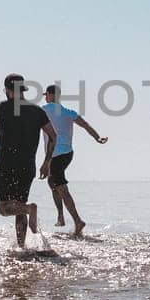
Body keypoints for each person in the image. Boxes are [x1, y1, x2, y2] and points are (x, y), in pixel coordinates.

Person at [0, 74, 57, 247]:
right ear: (22, 90)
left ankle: (31, 209)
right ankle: (22, 247)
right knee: (19, 205)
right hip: (28, 166)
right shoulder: (37, 111)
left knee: (5, 208)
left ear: (7, 90)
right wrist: (47, 162)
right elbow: (53, 136)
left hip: (6, 165)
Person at [40, 84, 108, 236]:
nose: (45, 97)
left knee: (61, 187)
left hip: (56, 155)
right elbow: (84, 124)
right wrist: (97, 137)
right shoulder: (68, 112)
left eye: (46, 95)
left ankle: (77, 220)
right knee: (52, 182)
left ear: (50, 95)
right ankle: (61, 217)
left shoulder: (44, 109)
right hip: (67, 154)